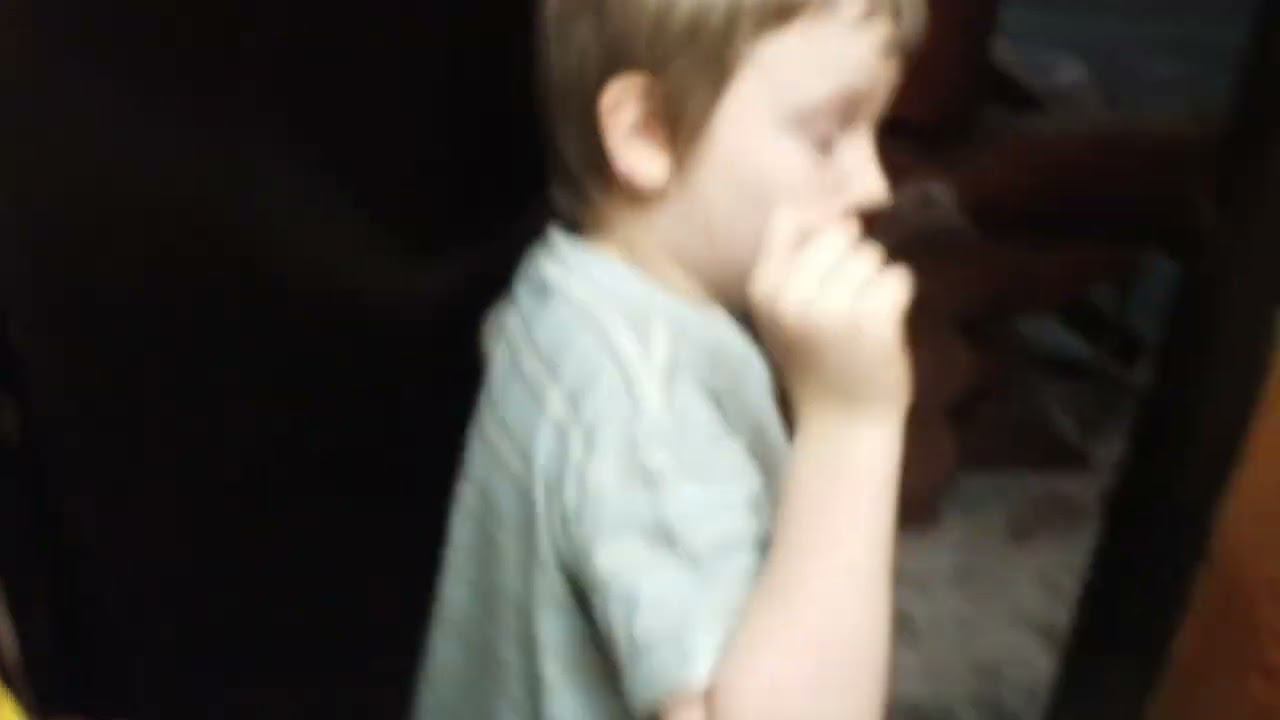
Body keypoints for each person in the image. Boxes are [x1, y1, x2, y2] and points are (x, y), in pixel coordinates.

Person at [413, 0, 941, 718]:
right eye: (827, 135)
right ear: (648, 131)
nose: (874, 183)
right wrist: (853, 422)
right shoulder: (646, 403)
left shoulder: (572, 292)